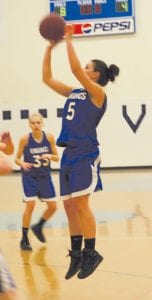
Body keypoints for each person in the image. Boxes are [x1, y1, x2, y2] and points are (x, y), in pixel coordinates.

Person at [42, 25, 119, 279]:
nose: (83, 70)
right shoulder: (75, 92)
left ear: (95, 75)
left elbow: (75, 71)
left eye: (88, 68)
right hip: (68, 153)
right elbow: (47, 79)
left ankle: (91, 252)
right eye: (85, 67)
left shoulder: (98, 93)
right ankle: (76, 254)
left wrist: (70, 40)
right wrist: (49, 49)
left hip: (86, 152)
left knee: (82, 204)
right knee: (69, 207)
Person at [15, 113, 59, 251]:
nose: (35, 125)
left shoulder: (50, 137)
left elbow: (57, 158)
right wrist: (21, 163)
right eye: (33, 123)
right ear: (29, 124)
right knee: (30, 205)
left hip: (44, 177)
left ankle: (39, 226)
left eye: (38, 122)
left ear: (42, 124)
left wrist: (50, 156)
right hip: (30, 177)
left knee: (53, 207)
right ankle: (24, 238)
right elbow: (16, 158)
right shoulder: (25, 139)